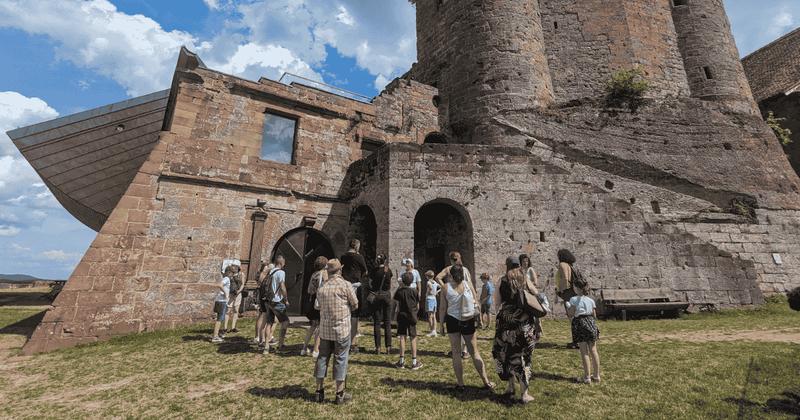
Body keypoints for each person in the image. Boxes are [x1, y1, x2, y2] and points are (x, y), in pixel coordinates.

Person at [492, 257, 542, 403]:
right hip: (524, 321)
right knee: (523, 355)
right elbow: (536, 293)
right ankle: (524, 393)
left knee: (505, 353)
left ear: (506, 266)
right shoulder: (524, 278)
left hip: (506, 322)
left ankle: (510, 386)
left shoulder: (502, 280)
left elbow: (497, 302)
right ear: (518, 265)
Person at [440, 263, 495, 390]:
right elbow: (476, 302)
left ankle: (460, 384)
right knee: (474, 352)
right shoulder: (468, 285)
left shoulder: (445, 287)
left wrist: (441, 325)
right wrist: (480, 319)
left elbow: (443, 308)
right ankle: (486, 381)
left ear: (451, 275)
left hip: (452, 320)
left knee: (456, 353)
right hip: (468, 319)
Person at [315, 259, 358, 405]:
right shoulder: (346, 285)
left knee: (322, 358)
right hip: (341, 329)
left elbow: (318, 306)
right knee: (340, 358)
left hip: (325, 330)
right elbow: (355, 304)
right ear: (340, 270)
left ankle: (319, 392)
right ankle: (339, 394)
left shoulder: (322, 287)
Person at [566, 276, 601, 384]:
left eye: (574, 287)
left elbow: (571, 314)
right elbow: (594, 315)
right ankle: (596, 375)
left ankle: (587, 377)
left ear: (577, 288)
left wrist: (568, 307)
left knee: (584, 352)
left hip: (580, 324)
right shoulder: (591, 300)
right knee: (594, 350)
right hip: (591, 323)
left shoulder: (573, 299)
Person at [340, 239, 368, 354]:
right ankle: (352, 343)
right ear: (356, 246)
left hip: (345, 285)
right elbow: (365, 271)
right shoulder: (359, 257)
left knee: (344, 313)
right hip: (355, 286)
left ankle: (343, 341)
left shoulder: (343, 256)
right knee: (355, 315)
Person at [394, 271, 422, 370]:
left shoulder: (399, 291)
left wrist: (395, 316)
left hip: (402, 315)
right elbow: (418, 306)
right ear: (412, 281)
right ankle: (414, 362)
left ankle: (401, 361)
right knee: (413, 337)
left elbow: (397, 306)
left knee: (402, 337)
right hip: (412, 316)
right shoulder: (414, 291)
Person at [262, 255, 289, 354]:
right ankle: (280, 346)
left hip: (268, 300)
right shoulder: (281, 272)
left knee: (269, 323)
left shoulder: (271, 271)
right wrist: (286, 299)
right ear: (281, 263)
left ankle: (266, 347)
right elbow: (282, 287)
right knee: (285, 322)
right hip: (277, 301)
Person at [302, 256, 328, 357]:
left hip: (313, 300)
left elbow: (309, 290)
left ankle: (304, 348)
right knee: (320, 326)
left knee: (312, 326)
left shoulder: (314, 274)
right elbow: (326, 286)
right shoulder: (323, 274)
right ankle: (316, 350)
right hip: (320, 301)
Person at [369, 254, 393, 354]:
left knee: (377, 322)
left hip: (377, 296)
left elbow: (370, 283)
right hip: (386, 295)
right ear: (385, 261)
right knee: (387, 322)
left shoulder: (374, 271)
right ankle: (388, 347)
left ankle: (378, 347)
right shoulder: (388, 270)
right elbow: (390, 284)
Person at [555, 249, 579, 349]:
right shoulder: (570, 265)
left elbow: (565, 278)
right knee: (576, 317)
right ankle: (578, 340)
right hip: (573, 293)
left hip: (568, 293)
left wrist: (561, 291)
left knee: (572, 317)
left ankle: (576, 341)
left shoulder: (562, 265)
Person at [211, 266, 233, 343]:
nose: (232, 275)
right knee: (219, 319)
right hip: (221, 301)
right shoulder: (227, 278)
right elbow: (219, 285)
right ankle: (215, 337)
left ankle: (217, 334)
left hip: (220, 300)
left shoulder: (225, 278)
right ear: (229, 272)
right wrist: (225, 293)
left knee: (220, 318)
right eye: (232, 273)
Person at [224, 262, 244, 334]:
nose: (234, 267)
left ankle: (233, 327)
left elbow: (242, 284)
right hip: (230, 294)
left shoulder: (241, 274)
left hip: (238, 294)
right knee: (228, 310)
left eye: (236, 266)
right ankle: (225, 328)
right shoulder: (230, 274)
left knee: (236, 310)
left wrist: (238, 291)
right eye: (234, 266)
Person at [424, 270, 440, 337]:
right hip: (434, 299)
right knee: (434, 316)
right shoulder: (435, 282)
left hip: (429, 299)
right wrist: (436, 292)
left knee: (430, 316)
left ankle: (431, 331)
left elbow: (430, 288)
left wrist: (431, 292)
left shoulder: (428, 282)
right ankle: (434, 331)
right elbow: (441, 287)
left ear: (427, 276)